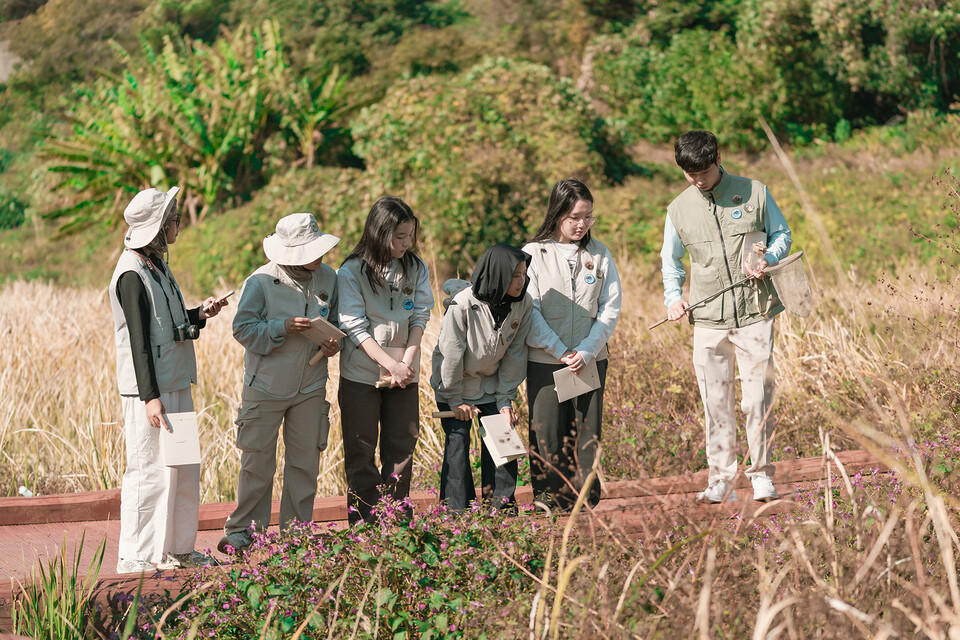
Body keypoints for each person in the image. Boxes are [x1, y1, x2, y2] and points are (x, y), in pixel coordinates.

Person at [660, 130, 792, 504]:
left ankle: (762, 475)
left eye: (703, 171)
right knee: (715, 402)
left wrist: (768, 258)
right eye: (690, 174)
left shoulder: (755, 192)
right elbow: (671, 261)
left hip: (755, 313)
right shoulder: (678, 209)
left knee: (757, 399)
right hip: (707, 318)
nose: (698, 180)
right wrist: (673, 298)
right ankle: (720, 479)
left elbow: (782, 234)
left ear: (718, 157)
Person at [108, 186, 227, 573]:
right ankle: (137, 555)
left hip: (175, 381)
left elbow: (168, 325)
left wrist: (199, 314)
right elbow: (139, 342)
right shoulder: (130, 274)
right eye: (173, 219)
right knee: (148, 471)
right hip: (151, 392)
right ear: (157, 227)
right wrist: (150, 398)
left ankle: (178, 549)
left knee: (183, 466)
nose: (178, 224)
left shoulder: (156, 264)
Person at [218, 213, 341, 554]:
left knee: (305, 464)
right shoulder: (259, 282)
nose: (321, 256)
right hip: (265, 386)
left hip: (311, 385)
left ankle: (296, 535)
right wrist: (281, 327)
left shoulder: (329, 278)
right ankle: (244, 533)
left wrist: (333, 344)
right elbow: (242, 329)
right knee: (257, 464)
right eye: (313, 250)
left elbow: (337, 323)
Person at [523, 178, 622, 511]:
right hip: (546, 360)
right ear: (557, 213)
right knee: (547, 433)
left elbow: (610, 307)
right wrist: (559, 350)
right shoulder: (533, 254)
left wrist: (586, 350)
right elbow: (529, 309)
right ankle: (547, 499)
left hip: (590, 358)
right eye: (574, 217)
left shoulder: (599, 253)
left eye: (588, 216)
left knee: (585, 433)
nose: (582, 224)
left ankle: (583, 501)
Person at [337, 196, 434, 525]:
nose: (406, 244)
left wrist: (407, 359)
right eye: (399, 237)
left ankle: (395, 523)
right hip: (361, 376)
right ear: (379, 233)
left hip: (404, 374)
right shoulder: (352, 271)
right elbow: (353, 326)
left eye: (410, 236)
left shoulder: (415, 267)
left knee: (401, 449)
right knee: (360, 451)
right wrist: (389, 364)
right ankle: (364, 525)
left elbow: (421, 314)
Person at [430, 243, 533, 512]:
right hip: (454, 384)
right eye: (515, 276)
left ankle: (500, 510)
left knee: (504, 440)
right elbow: (451, 353)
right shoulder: (463, 304)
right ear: (498, 275)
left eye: (523, 275)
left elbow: (516, 353)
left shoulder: (524, 304)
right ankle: (456, 514)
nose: (521, 282)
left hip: (493, 385)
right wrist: (454, 399)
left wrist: (505, 400)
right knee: (457, 447)